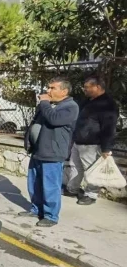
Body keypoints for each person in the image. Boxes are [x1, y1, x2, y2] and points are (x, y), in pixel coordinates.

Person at [20, 76, 79, 227]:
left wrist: (44, 102)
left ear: (64, 91)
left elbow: (54, 120)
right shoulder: (49, 105)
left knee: (50, 185)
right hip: (38, 150)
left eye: (53, 88)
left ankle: (51, 215)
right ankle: (36, 209)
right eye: (48, 87)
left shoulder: (70, 107)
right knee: (34, 184)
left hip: (53, 152)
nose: (48, 91)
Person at [64, 76, 119, 205]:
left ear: (98, 87)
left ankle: (91, 194)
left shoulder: (108, 104)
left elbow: (109, 127)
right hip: (79, 141)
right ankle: (73, 189)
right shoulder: (87, 101)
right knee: (75, 167)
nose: (85, 90)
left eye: (87, 87)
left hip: (93, 144)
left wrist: (106, 148)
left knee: (91, 169)